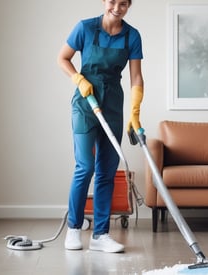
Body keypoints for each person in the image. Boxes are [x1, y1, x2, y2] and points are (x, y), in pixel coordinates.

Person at [57, 0, 144, 253]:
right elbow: (62, 58)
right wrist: (78, 78)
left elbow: (136, 76)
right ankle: (73, 229)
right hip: (85, 104)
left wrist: (135, 112)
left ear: (129, 5)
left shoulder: (132, 35)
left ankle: (100, 235)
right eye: (113, 1)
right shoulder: (85, 28)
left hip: (113, 105)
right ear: (105, 1)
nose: (117, 7)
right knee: (85, 166)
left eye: (124, 4)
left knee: (106, 170)